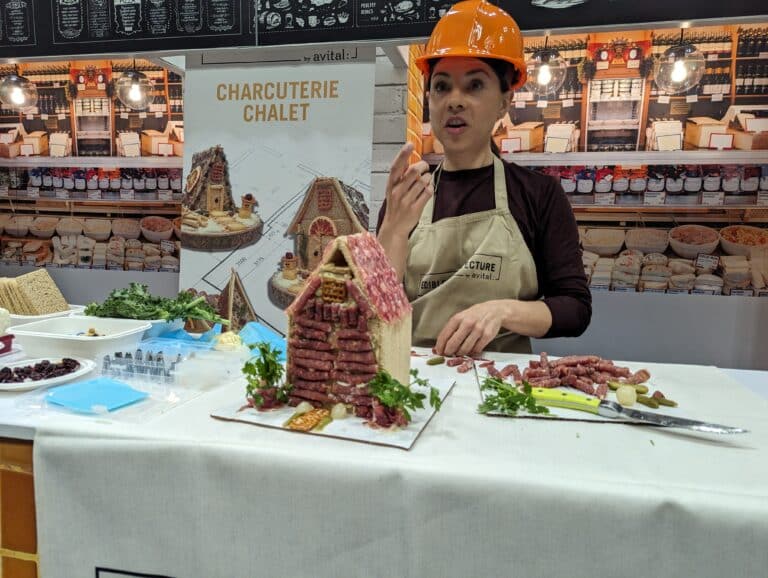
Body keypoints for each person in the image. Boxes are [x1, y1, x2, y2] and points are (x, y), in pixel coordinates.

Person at [377, 0, 591, 356]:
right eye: (441, 86)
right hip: (415, 377)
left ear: (504, 102)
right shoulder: (409, 195)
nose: (454, 101)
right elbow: (375, 312)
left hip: (500, 379)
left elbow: (575, 308)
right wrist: (393, 232)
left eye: (474, 85)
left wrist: (502, 311)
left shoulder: (538, 194)